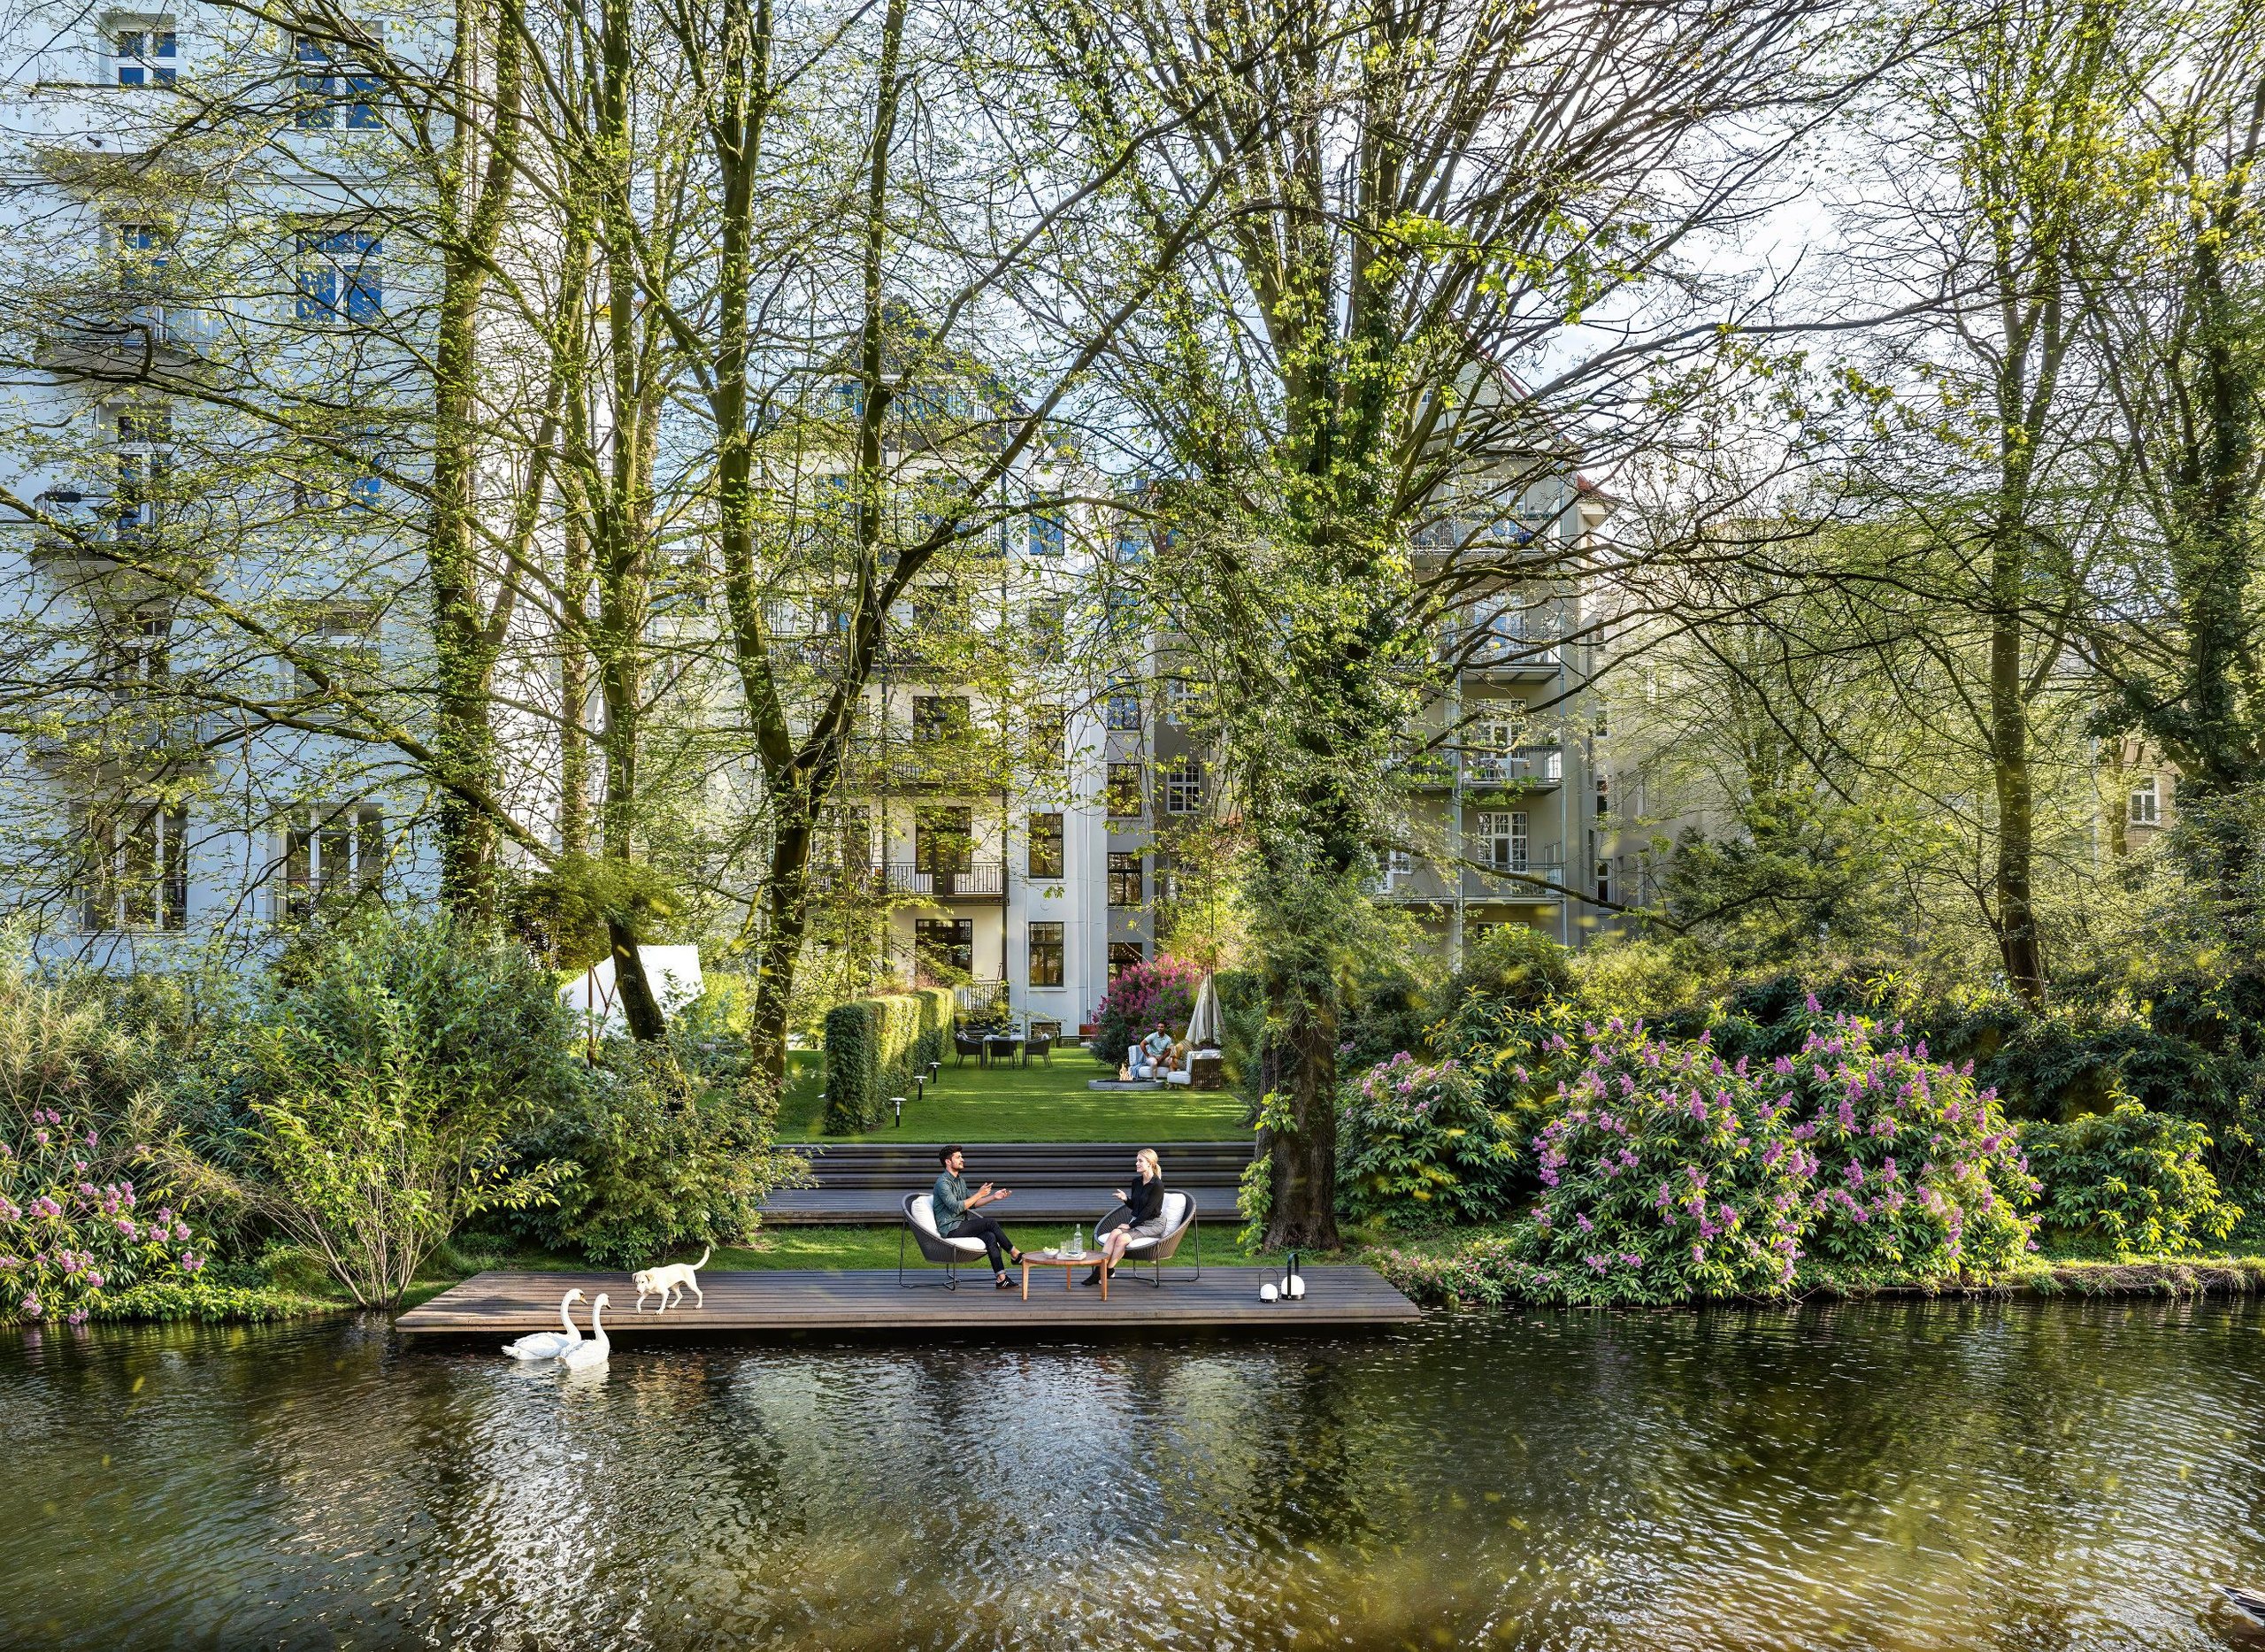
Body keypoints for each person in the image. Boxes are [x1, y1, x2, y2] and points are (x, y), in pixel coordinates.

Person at [930, 1145, 1024, 1287]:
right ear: (948, 1161)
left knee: (990, 1236)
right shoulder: (942, 1183)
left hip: (961, 1225)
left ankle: (1001, 1279)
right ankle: (1014, 1254)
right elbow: (956, 1207)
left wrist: (993, 1197)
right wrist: (979, 1193)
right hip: (950, 1228)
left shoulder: (960, 1181)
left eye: (961, 1156)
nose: (962, 1159)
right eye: (958, 1157)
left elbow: (972, 1203)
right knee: (990, 1222)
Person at [1086, 1149, 1166, 1287]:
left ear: (1150, 1163)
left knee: (1122, 1238)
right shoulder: (1136, 1182)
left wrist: (1130, 1226)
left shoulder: (1157, 1185)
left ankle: (1106, 1271)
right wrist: (1125, 1199)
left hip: (1153, 1224)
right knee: (1114, 1233)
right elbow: (1136, 1207)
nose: (1136, 1163)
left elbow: (1148, 1211)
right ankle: (1102, 1270)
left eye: (1140, 1161)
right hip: (1139, 1221)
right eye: (1137, 1160)